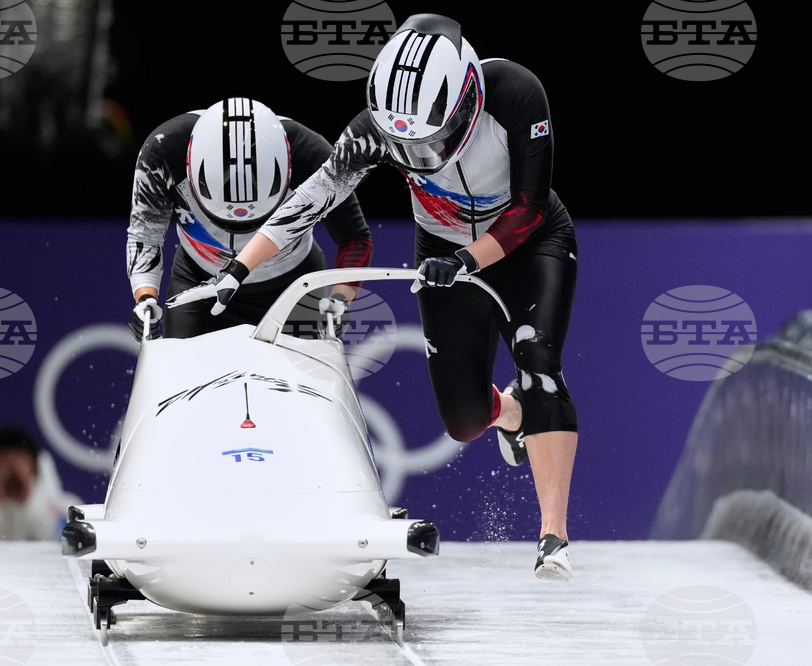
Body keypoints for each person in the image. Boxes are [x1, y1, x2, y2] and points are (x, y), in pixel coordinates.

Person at [171, 14, 579, 581]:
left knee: (538, 361)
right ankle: (511, 414)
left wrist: (465, 259)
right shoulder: (375, 130)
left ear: (465, 100)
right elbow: (309, 201)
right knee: (462, 419)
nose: (422, 152)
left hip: (528, 240)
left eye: (434, 137)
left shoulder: (515, 92)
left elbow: (529, 207)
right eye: (406, 142)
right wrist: (238, 267)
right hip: (443, 251)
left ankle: (552, 535)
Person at [126, 98, 372, 342]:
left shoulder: (312, 155)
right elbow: (145, 235)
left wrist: (340, 300)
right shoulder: (162, 151)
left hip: (292, 287)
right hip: (199, 286)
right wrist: (145, 299)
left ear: (287, 166)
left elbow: (354, 237)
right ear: (190, 166)